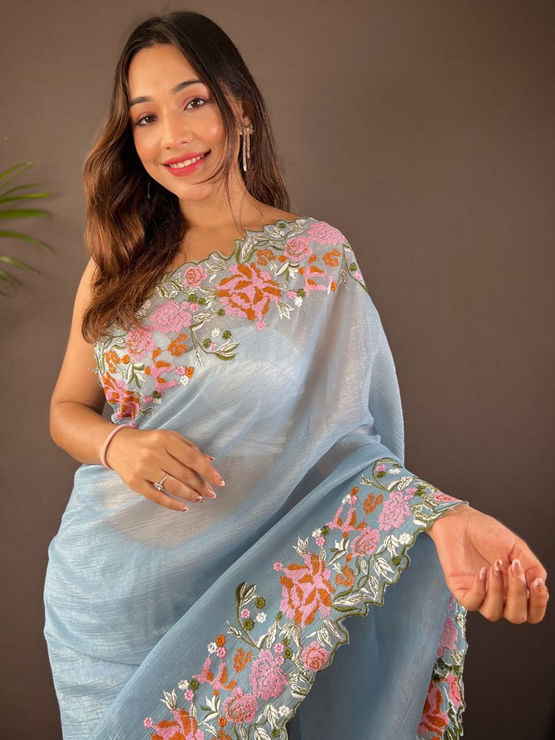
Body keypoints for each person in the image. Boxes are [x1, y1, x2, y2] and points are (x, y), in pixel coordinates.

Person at [43, 10, 548, 740]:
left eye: (193, 102)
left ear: (239, 106)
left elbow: (347, 446)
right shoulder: (117, 261)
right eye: (145, 117)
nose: (171, 136)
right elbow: (66, 408)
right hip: (104, 601)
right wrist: (118, 445)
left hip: (243, 608)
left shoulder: (314, 257)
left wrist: (444, 516)